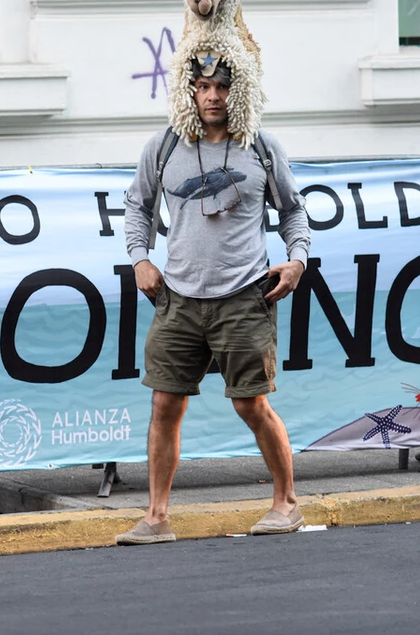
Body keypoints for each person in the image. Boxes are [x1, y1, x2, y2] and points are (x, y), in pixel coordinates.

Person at [117, 52, 311, 545]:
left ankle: (286, 504)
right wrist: (140, 258)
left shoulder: (261, 148)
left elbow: (294, 210)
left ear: (237, 91)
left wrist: (298, 260)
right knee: (164, 404)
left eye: (222, 86)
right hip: (178, 299)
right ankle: (157, 517)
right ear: (189, 91)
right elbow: (137, 206)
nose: (212, 96)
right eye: (202, 86)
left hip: (244, 296)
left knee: (251, 405)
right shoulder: (163, 147)